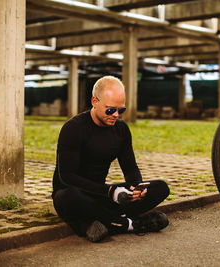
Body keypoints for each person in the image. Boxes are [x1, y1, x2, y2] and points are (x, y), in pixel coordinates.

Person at [52, 76, 170, 242]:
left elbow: (130, 168)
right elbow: (67, 177)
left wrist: (136, 188)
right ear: (95, 101)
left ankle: (101, 222)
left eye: (121, 110)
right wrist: (110, 191)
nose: (115, 115)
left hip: (103, 194)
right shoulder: (73, 128)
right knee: (68, 197)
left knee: (161, 187)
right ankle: (128, 224)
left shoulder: (121, 129)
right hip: (73, 193)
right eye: (110, 110)